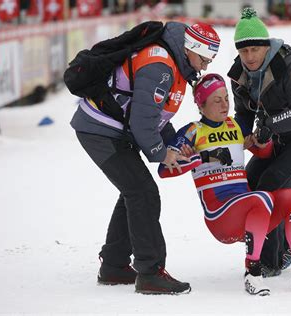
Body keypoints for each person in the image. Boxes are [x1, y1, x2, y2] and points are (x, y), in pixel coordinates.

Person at [70, 21, 221, 294]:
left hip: (113, 131)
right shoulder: (161, 66)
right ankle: (151, 273)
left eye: (209, 62)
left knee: (134, 191)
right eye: (204, 59)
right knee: (143, 193)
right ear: (191, 48)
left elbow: (156, 117)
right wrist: (163, 154)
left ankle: (114, 266)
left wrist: (177, 144)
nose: (204, 67)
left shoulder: (174, 63)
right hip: (99, 130)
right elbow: (142, 123)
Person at [158, 73, 291, 295]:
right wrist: (198, 157)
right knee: (262, 197)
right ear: (201, 105)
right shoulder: (192, 131)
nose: (225, 105)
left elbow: (266, 152)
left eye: (226, 98)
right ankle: (253, 273)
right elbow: (164, 170)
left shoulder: (235, 126)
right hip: (220, 216)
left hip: (248, 212)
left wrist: (260, 142)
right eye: (217, 100)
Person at [227, 7, 291, 276]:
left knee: (270, 186)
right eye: (243, 51)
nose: (249, 56)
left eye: (255, 49)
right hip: (279, 138)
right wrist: (234, 140)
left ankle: (271, 261)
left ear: (267, 46)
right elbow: (243, 113)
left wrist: (268, 126)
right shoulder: (239, 74)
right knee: (248, 184)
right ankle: (281, 248)